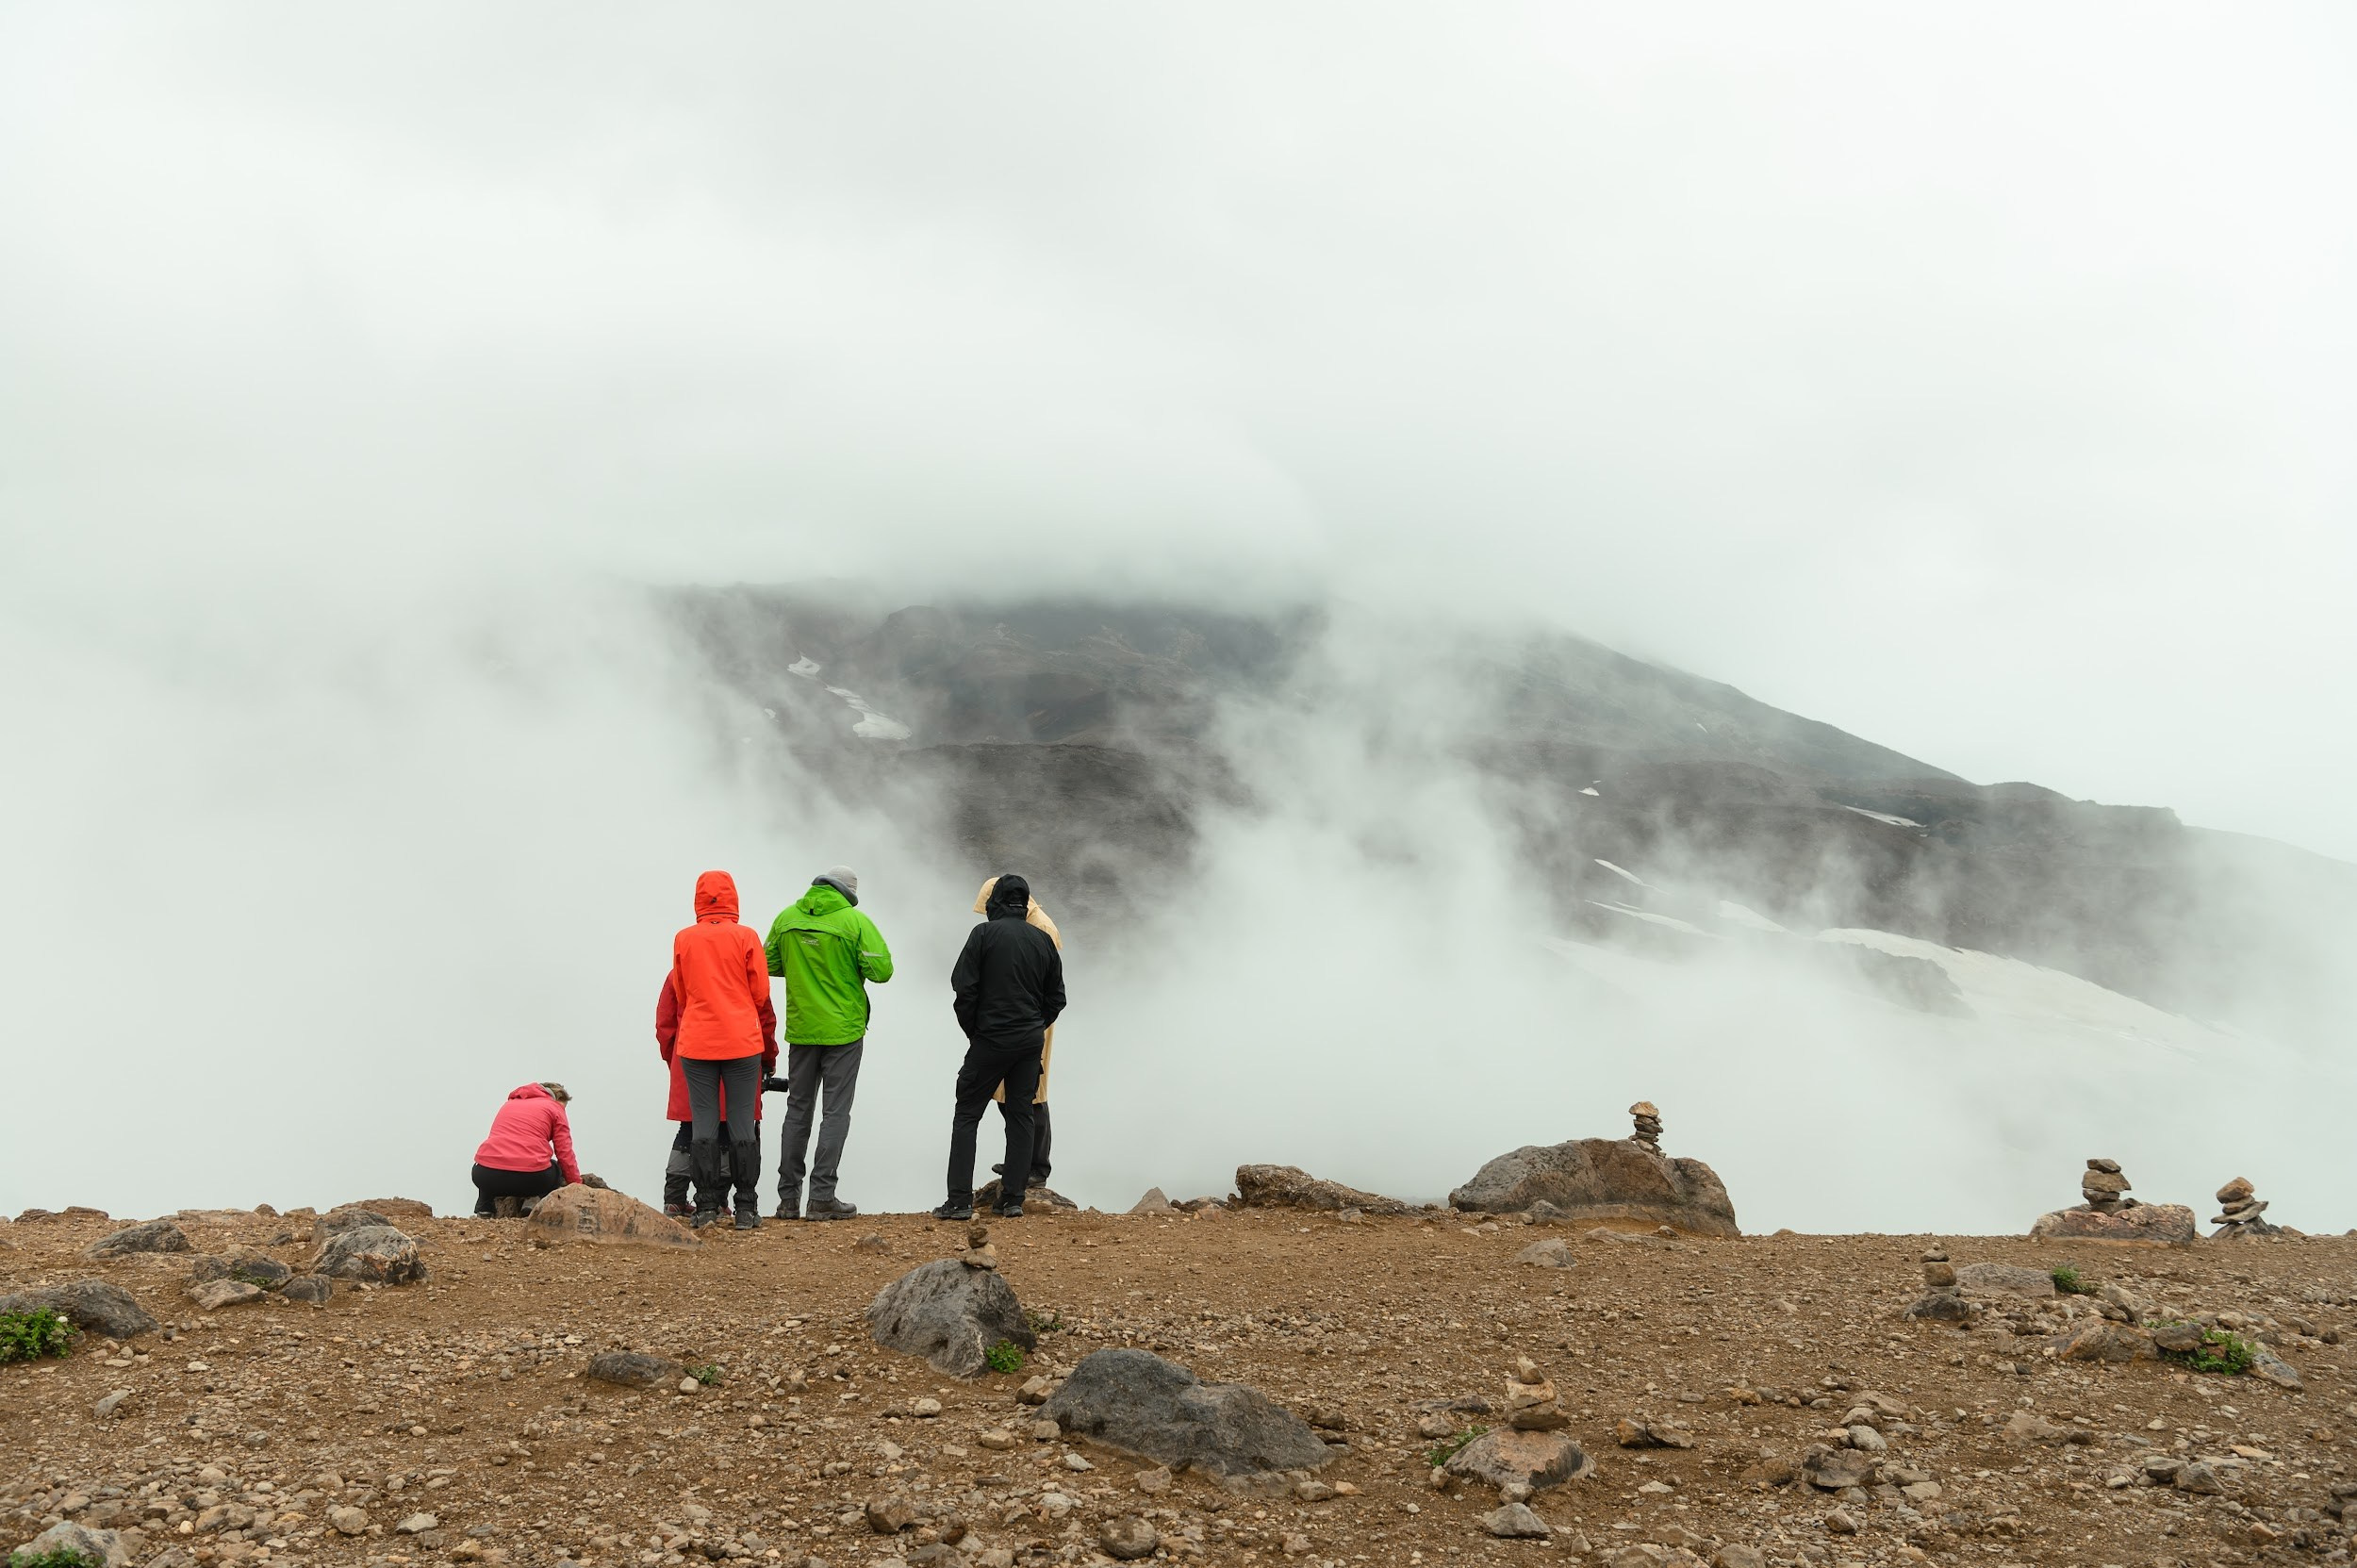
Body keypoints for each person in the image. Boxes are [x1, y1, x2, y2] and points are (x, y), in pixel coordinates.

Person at [765, 866, 894, 1221]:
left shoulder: (787, 917)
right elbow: (882, 971)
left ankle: (788, 1200)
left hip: (803, 1029)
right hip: (844, 1032)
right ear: (849, 892)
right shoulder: (855, 922)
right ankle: (822, 1196)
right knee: (835, 1113)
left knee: (797, 1110)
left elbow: (768, 963)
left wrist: (803, 963)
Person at [937, 873, 1065, 1220]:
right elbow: (1057, 998)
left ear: (995, 902)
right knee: (1021, 1115)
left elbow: (963, 989)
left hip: (991, 1039)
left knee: (967, 1115)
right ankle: (1012, 1199)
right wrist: (1034, 1025)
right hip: (1028, 1042)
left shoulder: (982, 935)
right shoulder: (1042, 939)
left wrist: (975, 1031)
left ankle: (959, 1201)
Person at [670, 869, 779, 1230]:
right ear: (733, 898)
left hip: (697, 1041)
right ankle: (746, 1207)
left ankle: (705, 1207)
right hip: (742, 1041)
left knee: (703, 1124)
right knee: (742, 1123)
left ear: (698, 899)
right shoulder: (746, 936)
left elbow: (682, 993)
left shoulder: (684, 938)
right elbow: (760, 992)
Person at [655, 972, 773, 1218]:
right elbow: (764, 1019)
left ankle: (674, 1199)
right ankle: (719, 1201)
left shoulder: (680, 973)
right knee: (732, 1134)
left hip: (691, 1058)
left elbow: (665, 1024)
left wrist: (674, 1060)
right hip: (739, 1059)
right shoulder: (745, 975)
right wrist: (767, 1059)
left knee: (689, 1130)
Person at [972, 876, 1062, 1195]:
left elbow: (1047, 986)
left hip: (1029, 1023)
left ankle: (1036, 1166)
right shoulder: (1030, 923)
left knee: (1031, 1093)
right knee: (1011, 1092)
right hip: (1018, 1021)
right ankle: (1019, 1159)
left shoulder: (1042, 928)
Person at [471, 1081, 581, 1218]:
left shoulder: (509, 1105)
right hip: (532, 1179)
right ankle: (533, 1199)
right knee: (556, 1168)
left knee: (490, 1158)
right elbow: (565, 1153)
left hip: (484, 1176)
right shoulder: (554, 1108)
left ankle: (485, 1207)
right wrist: (577, 1186)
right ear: (557, 1099)